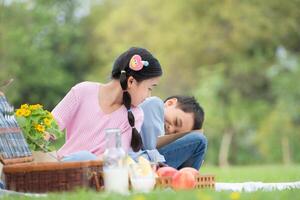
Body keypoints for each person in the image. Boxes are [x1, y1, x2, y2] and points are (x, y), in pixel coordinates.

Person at [52, 47, 162, 159]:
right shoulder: (82, 91)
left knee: (85, 157)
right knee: (82, 157)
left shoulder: (136, 115)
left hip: (96, 171)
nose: (149, 96)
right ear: (131, 81)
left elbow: (114, 157)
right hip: (63, 166)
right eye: (149, 88)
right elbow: (48, 127)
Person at [130, 95, 207, 170]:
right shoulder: (154, 104)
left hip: (147, 162)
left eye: (175, 133)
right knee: (199, 140)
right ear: (170, 103)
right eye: (176, 122)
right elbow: (150, 146)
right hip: (138, 160)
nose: (171, 129)